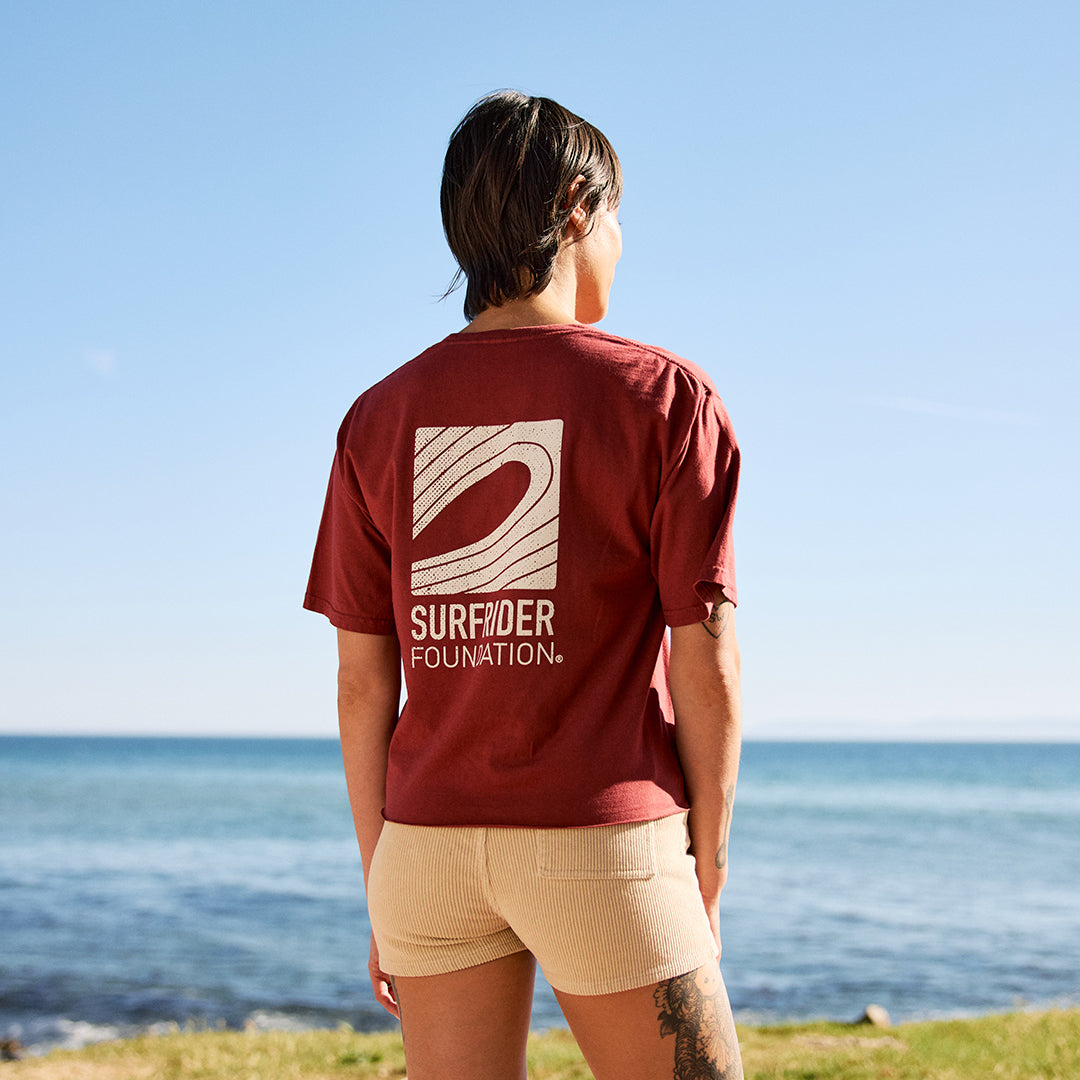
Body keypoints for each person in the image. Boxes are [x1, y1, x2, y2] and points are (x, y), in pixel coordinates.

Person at [304, 90, 743, 1080]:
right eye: (618, 215)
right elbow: (707, 664)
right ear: (579, 208)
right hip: (604, 843)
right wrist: (706, 871)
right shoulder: (667, 398)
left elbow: (362, 685)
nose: (622, 243)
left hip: (424, 850)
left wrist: (384, 878)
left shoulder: (376, 416)